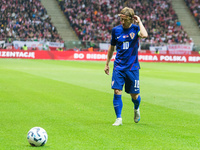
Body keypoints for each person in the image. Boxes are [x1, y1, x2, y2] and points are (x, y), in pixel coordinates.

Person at [104, 7, 148, 126]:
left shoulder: (135, 28)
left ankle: (136, 108)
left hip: (132, 68)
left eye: (124, 19)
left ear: (131, 19)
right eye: (121, 19)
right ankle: (119, 118)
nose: (122, 22)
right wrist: (107, 63)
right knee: (117, 91)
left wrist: (139, 22)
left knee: (134, 95)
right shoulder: (116, 30)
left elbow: (144, 35)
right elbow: (111, 48)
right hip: (118, 66)